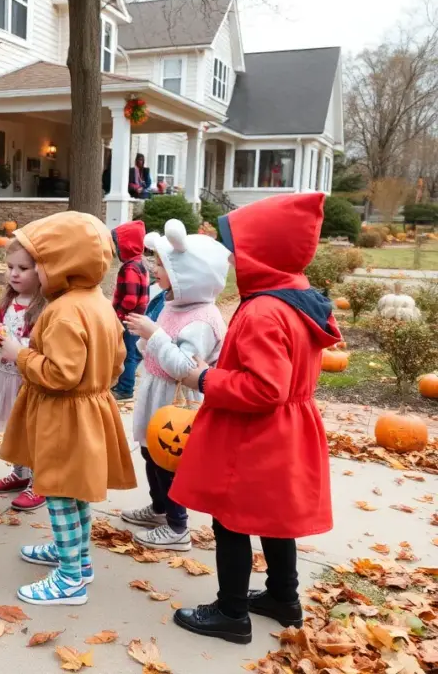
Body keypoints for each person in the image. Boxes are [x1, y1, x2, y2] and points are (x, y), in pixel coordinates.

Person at [170, 193, 340, 644]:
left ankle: (230, 612)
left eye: (236, 248)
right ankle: (283, 597)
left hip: (256, 434)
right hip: (288, 429)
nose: (230, 257)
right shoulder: (297, 297)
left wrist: (204, 379)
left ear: (260, 251)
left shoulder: (265, 310)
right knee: (271, 517)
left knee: (232, 520)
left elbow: (266, 388)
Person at [0, 211, 137, 606]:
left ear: (61, 264)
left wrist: (19, 354)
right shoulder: (97, 302)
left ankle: (70, 578)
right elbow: (119, 360)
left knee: (57, 491)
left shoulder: (62, 311)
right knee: (74, 492)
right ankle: (76, 556)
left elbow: (60, 374)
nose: (30, 272)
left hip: (65, 415)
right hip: (89, 409)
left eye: (36, 263)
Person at [120, 219, 230, 552]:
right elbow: (156, 346)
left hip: (176, 402)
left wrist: (153, 335)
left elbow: (184, 368)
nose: (154, 269)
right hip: (155, 391)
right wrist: (147, 337)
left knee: (168, 459)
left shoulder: (202, 320)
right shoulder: (174, 304)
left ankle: (177, 526)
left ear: (188, 275)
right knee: (149, 452)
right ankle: (159, 509)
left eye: (162, 265)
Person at [0, 239, 47, 512]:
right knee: (14, 428)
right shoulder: (7, 301)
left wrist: (18, 348)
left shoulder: (46, 306)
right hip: (6, 376)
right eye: (10, 267)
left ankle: (40, 482)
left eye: (23, 267)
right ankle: (20, 474)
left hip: (29, 380)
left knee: (33, 432)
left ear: (41, 270)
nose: (14, 273)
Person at [110, 220, 149, 401]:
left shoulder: (130, 268)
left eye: (118, 245)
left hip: (128, 318)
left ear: (126, 245)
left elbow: (131, 299)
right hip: (137, 317)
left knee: (127, 354)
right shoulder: (140, 264)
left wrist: (118, 314)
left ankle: (125, 388)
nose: (117, 250)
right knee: (130, 351)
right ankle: (124, 383)